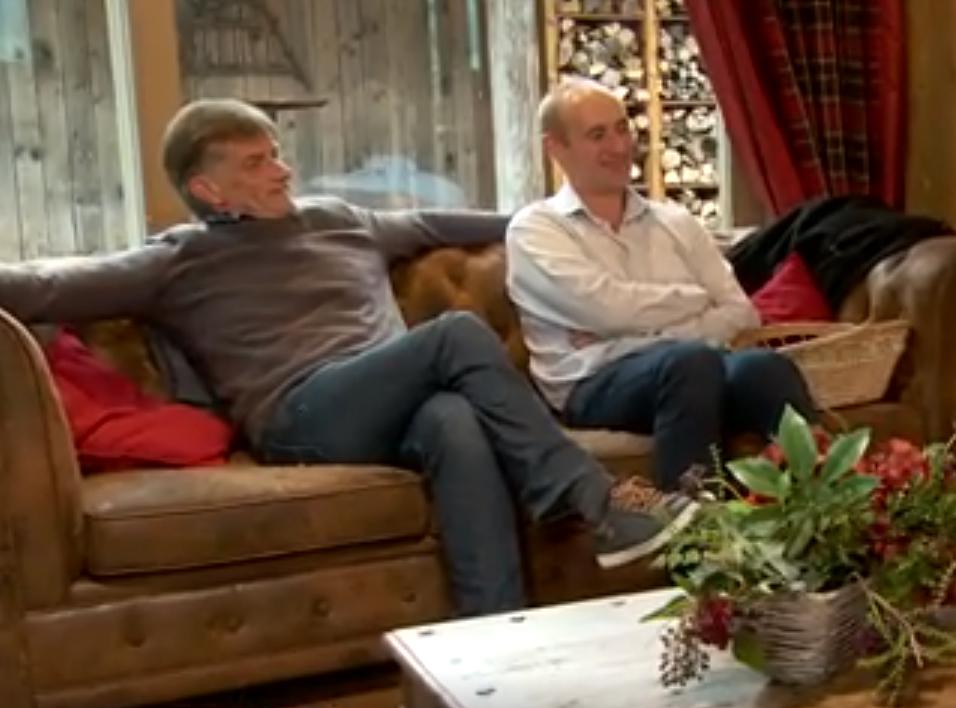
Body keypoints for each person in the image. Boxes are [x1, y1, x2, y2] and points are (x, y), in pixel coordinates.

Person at [0, 98, 695, 617]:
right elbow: (42, 287)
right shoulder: (178, 259)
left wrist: (570, 224)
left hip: (395, 403)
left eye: (275, 153)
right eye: (255, 163)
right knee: (454, 335)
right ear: (209, 190)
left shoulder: (339, 219)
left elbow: (455, 223)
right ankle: (595, 499)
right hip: (300, 417)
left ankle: (494, 637)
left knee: (452, 420)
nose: (281, 169)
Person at [506, 79, 816, 492]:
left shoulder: (675, 222)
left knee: (765, 368)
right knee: (688, 363)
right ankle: (696, 518)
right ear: (556, 148)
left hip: (695, 366)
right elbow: (606, 309)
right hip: (592, 384)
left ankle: (825, 507)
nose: (619, 147)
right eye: (598, 135)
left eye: (622, 129)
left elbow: (742, 313)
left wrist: (629, 332)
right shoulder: (536, 230)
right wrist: (695, 302)